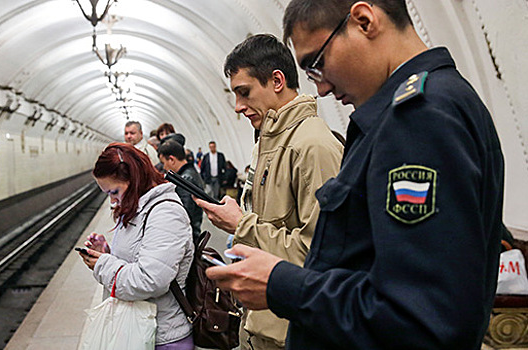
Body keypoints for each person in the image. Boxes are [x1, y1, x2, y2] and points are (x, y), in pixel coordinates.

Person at [205, 1, 505, 349]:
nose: (320, 88)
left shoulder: (420, 120)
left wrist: (281, 284)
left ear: (364, 21)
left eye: (316, 64)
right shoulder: (425, 107)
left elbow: (419, 316)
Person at [195, 33, 343, 350]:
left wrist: (242, 225)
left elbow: (321, 255)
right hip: (263, 324)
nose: (237, 107)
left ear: (276, 80)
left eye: (244, 92)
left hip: (292, 332)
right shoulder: (268, 141)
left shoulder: (313, 147)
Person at [79, 143, 195, 349]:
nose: (113, 201)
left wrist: (103, 265)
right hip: (140, 330)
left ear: (135, 180)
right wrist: (107, 253)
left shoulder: (166, 214)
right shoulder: (137, 208)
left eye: (114, 191)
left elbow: (150, 280)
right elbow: (137, 257)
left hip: (163, 336)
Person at [158, 140, 204, 242]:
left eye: (163, 163)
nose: (164, 167)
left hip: (187, 237)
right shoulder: (189, 174)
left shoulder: (186, 180)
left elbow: (183, 214)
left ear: (171, 160)